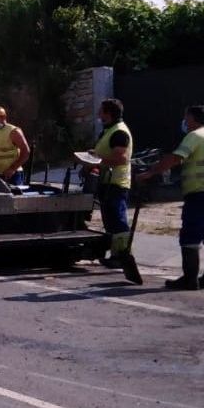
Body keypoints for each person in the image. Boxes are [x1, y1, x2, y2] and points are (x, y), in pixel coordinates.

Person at [136, 105, 204, 290]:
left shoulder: (194, 136)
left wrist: (151, 172)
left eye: (186, 117)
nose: (184, 121)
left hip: (200, 193)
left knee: (190, 235)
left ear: (192, 118)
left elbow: (176, 158)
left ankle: (190, 279)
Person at [88, 98, 142, 284]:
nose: (98, 114)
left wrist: (96, 161)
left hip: (116, 182)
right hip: (107, 182)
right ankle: (115, 255)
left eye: (101, 111)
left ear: (108, 113)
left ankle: (122, 255)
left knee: (118, 221)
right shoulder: (110, 130)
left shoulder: (119, 132)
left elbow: (121, 159)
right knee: (110, 221)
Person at [0, 106, 30, 186]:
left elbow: (26, 151)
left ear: (3, 117)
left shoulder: (13, 131)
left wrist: (12, 169)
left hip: (13, 175)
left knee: (15, 197)